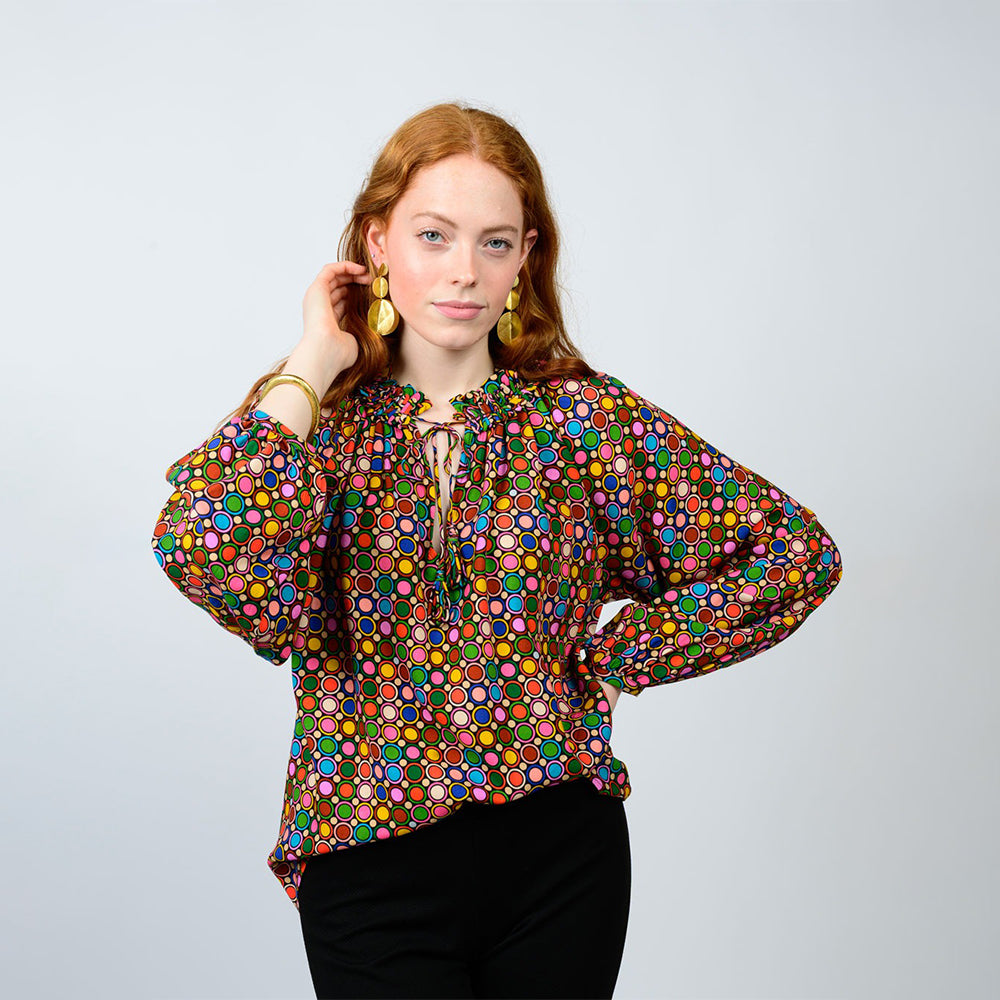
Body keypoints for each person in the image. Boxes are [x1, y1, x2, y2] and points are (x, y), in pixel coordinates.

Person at [151, 101, 844, 1000]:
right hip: (367, 855)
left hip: (558, 858)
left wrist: (615, 652)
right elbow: (206, 553)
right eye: (434, 236)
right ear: (377, 243)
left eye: (494, 242)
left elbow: (795, 554)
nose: (463, 272)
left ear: (525, 258)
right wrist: (313, 362)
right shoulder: (311, 427)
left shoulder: (582, 423)